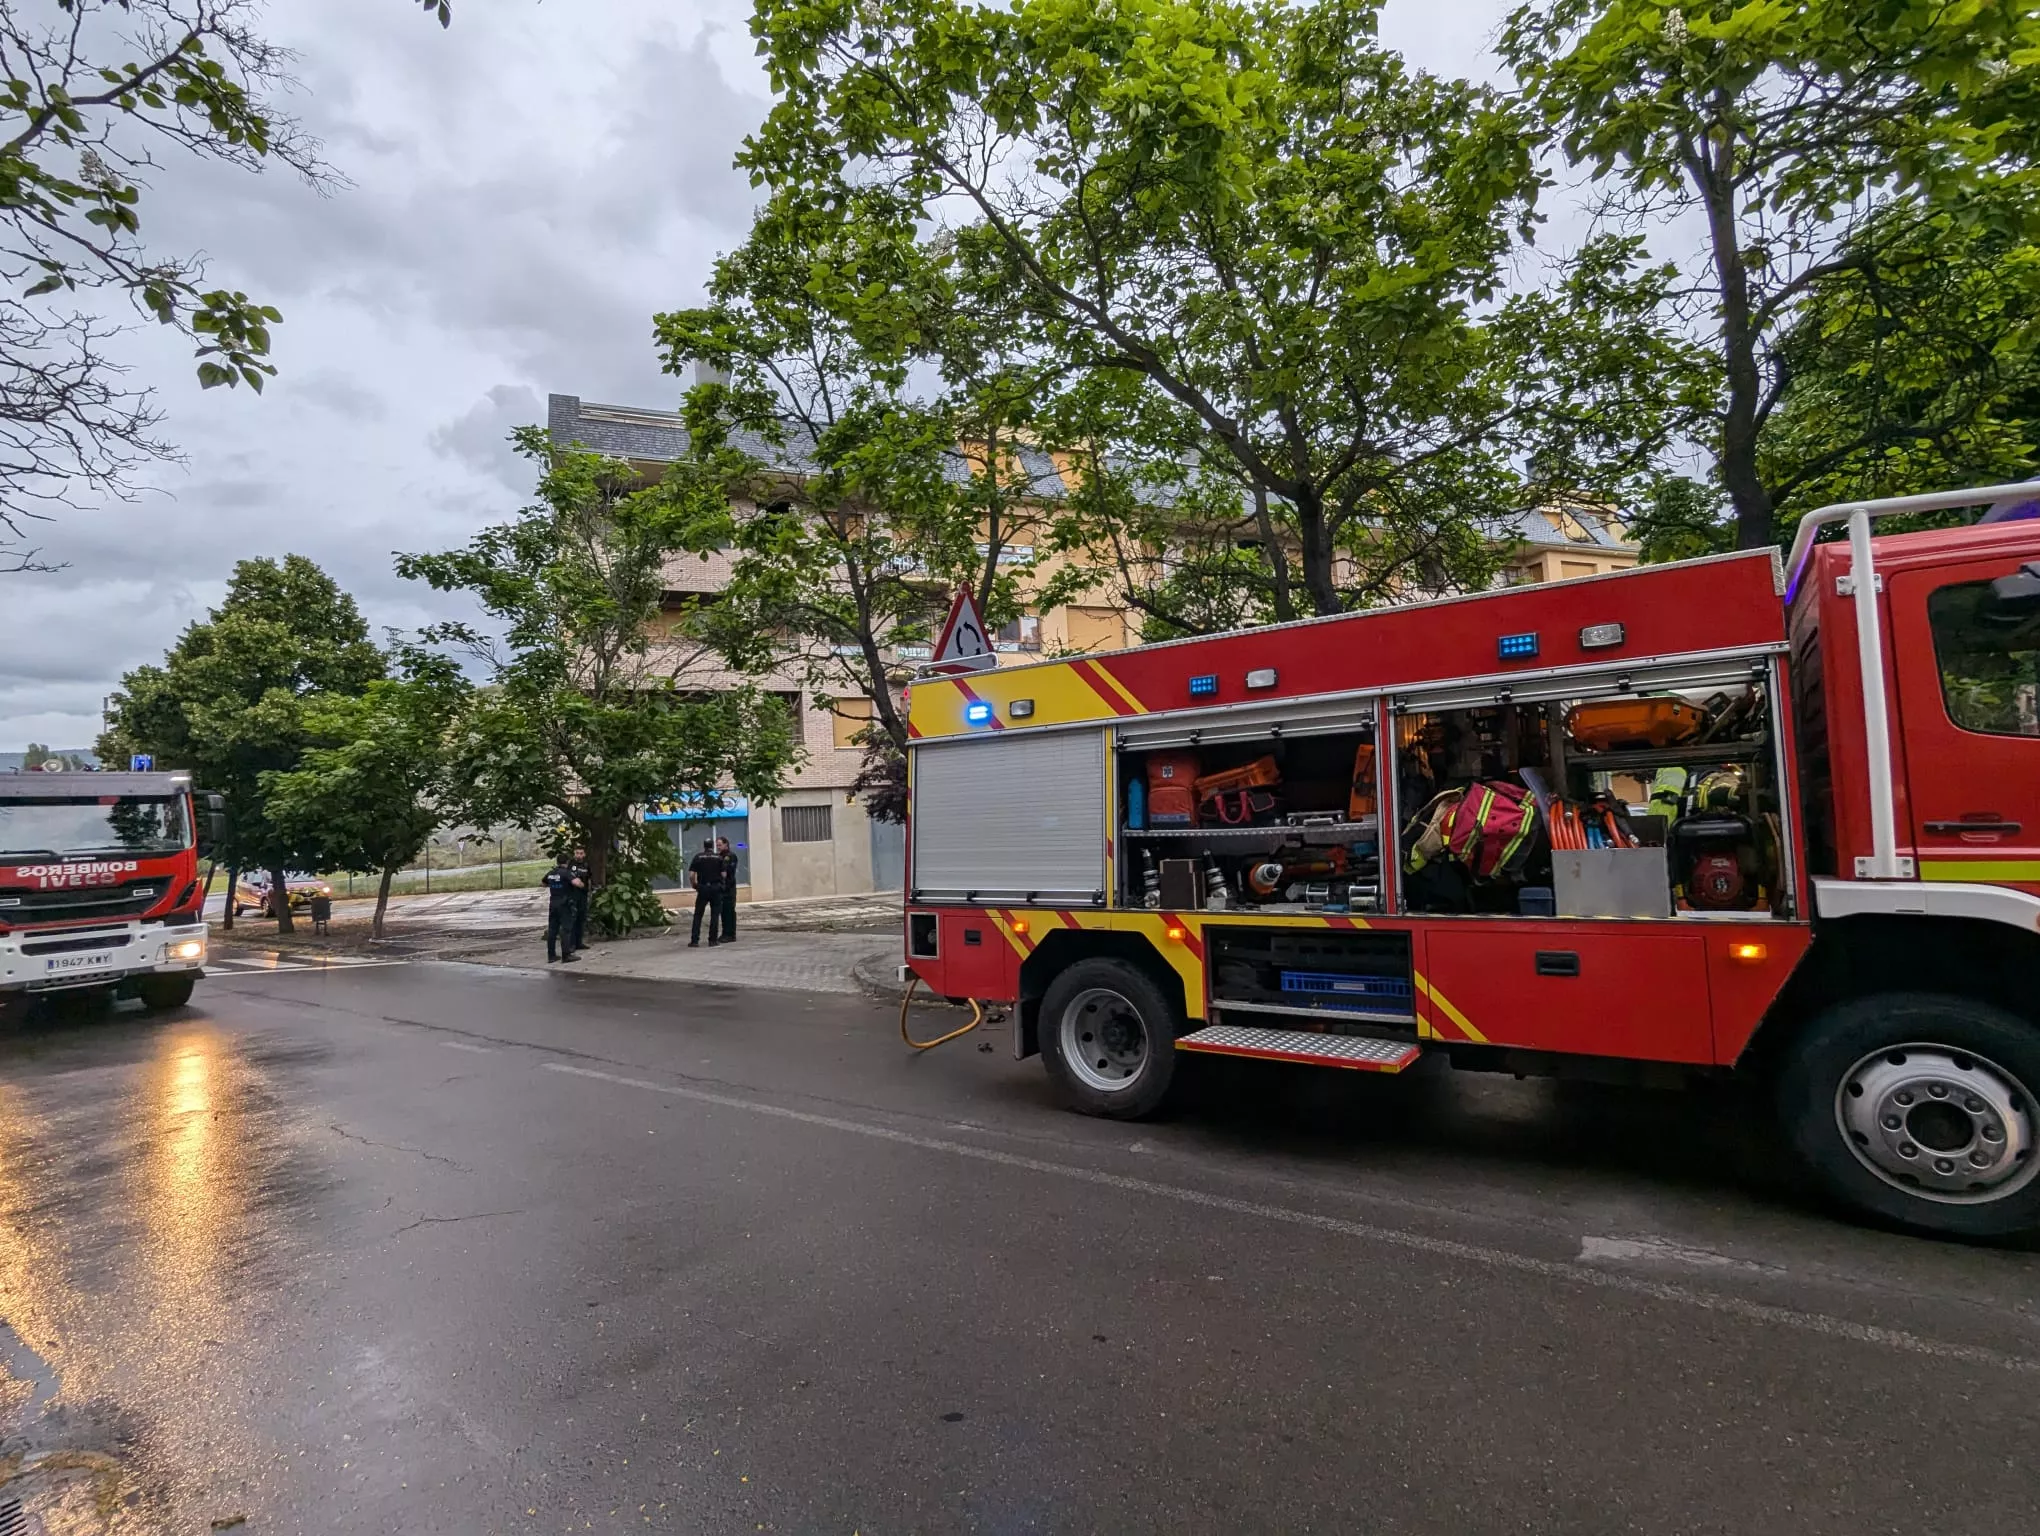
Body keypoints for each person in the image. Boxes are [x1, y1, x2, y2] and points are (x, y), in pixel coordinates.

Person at [542, 854, 580, 963]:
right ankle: (566, 955)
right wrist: (580, 883)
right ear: (567, 862)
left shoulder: (551, 873)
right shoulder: (566, 873)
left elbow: (543, 883)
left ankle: (551, 956)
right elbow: (576, 883)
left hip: (553, 903)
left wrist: (554, 885)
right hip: (564, 903)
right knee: (566, 929)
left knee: (552, 930)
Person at [688, 836, 725, 946]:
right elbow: (724, 874)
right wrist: (721, 884)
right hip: (715, 888)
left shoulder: (698, 857)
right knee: (715, 915)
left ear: (704, 846)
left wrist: (694, 885)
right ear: (712, 846)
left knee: (698, 914)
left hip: (703, 888)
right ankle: (712, 940)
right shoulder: (718, 858)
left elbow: (691, 875)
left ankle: (695, 940)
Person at [566, 845, 592, 953]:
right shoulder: (571, 864)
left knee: (581, 918)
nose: (579, 855)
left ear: (584, 854)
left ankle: (579, 942)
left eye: (581, 853)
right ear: (574, 854)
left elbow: (589, 878)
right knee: (573, 919)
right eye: (577, 853)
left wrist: (589, 891)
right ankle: (571, 944)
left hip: (583, 895)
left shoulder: (586, 865)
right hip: (573, 894)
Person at [716, 835, 739, 945]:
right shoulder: (719, 856)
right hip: (721, 888)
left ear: (726, 844)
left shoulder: (730, 856)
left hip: (729, 888)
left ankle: (730, 934)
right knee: (723, 912)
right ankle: (725, 933)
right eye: (717, 845)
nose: (718, 847)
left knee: (729, 911)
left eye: (720, 845)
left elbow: (727, 872)